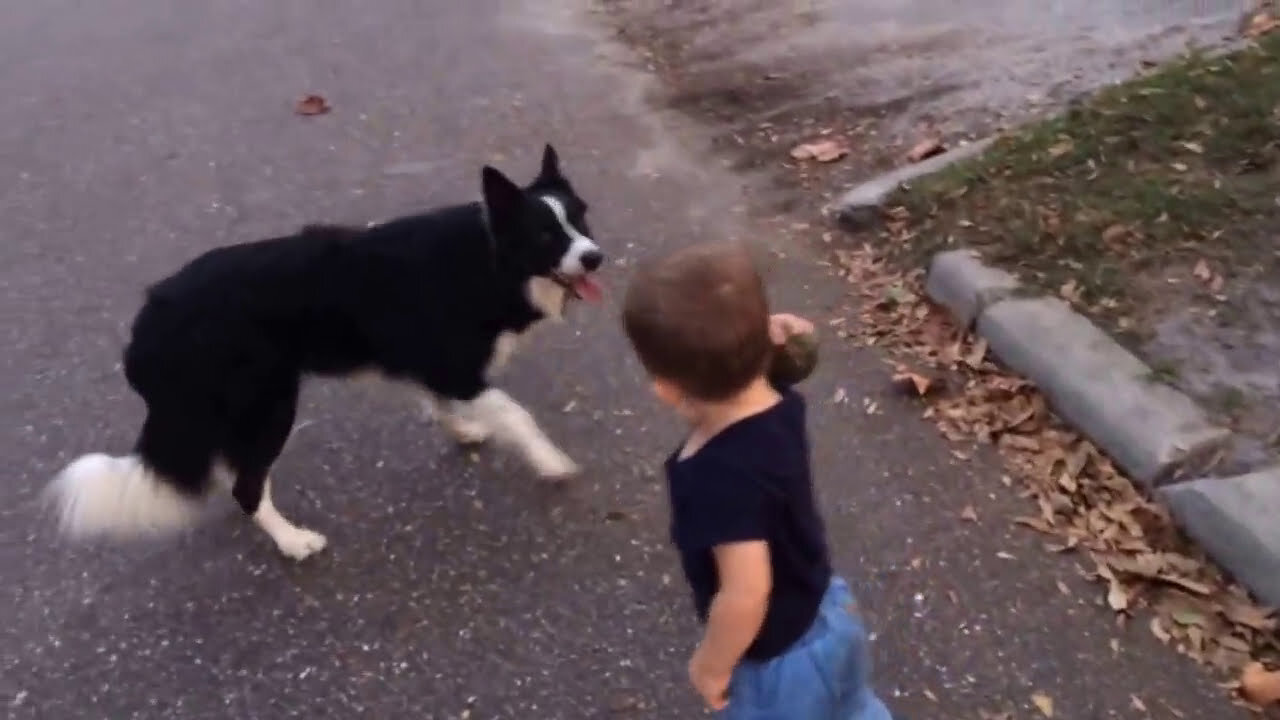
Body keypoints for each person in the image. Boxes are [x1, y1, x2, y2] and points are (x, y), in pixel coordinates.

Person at [621, 241, 894, 719]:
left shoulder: (710, 475)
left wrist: (711, 663)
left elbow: (746, 591)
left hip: (781, 661)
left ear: (666, 387)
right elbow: (796, 349)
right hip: (828, 607)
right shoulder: (778, 399)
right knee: (853, 709)